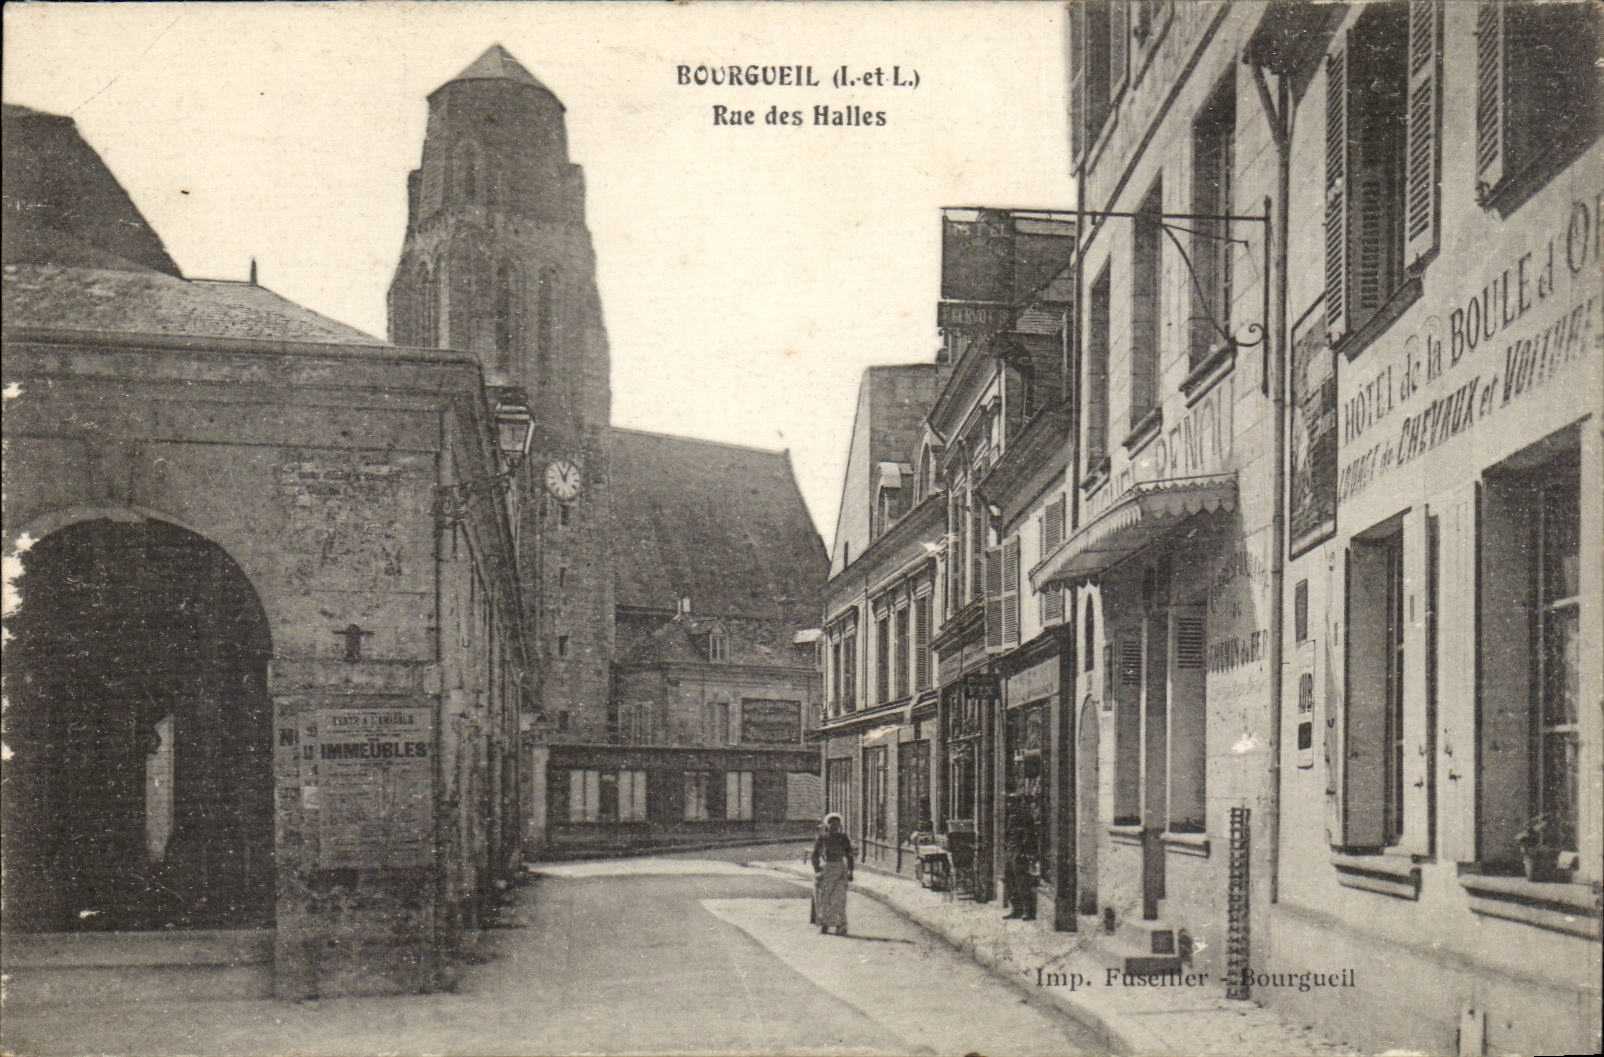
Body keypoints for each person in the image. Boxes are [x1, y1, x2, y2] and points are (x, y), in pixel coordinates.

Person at [811, 812, 854, 935]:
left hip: (840, 869)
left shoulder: (843, 838)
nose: (834, 826)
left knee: (839, 899)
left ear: (840, 825)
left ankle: (840, 925)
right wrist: (817, 871)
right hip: (826, 869)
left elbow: (849, 855)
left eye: (837, 824)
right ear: (827, 825)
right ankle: (824, 924)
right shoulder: (822, 838)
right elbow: (815, 855)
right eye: (831, 823)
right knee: (824, 898)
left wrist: (850, 871)